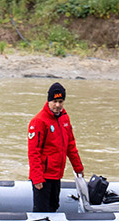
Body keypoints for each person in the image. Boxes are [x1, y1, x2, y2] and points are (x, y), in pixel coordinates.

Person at [28, 82, 85, 213]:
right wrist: (37, 178)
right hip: (43, 176)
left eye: (60, 101)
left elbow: (71, 145)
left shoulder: (64, 119)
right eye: (54, 102)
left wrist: (78, 167)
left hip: (57, 174)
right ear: (49, 101)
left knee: (54, 206)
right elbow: (33, 152)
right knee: (42, 210)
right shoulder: (38, 121)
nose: (58, 105)